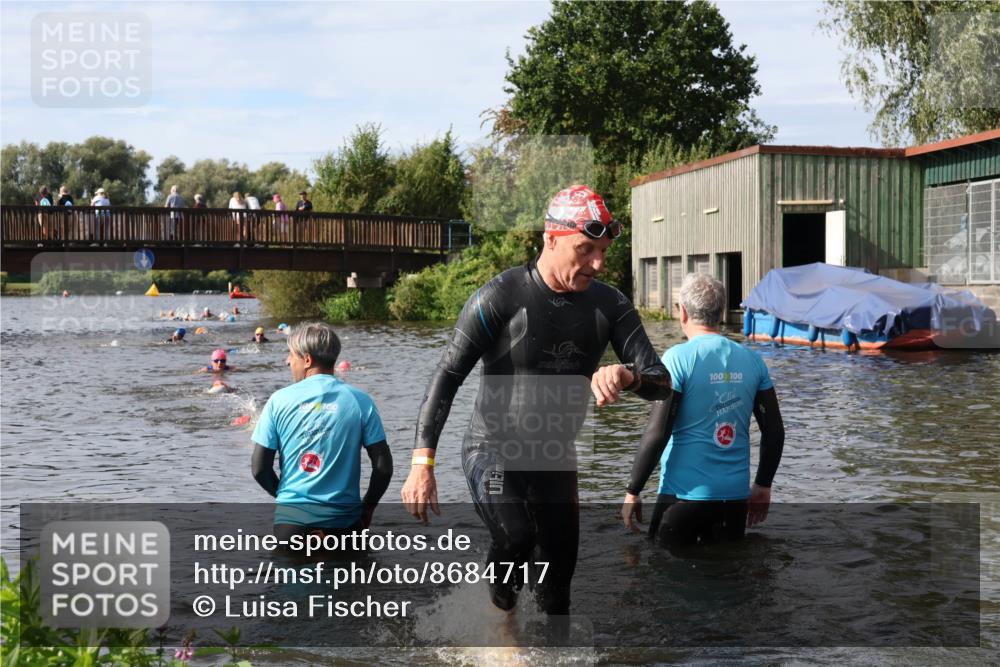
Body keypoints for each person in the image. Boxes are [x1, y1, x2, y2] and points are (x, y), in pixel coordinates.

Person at [401, 185, 672, 618]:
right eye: (586, 250)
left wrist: (626, 374)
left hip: (554, 458)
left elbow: (663, 384)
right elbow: (447, 375)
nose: (597, 263)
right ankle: (501, 625)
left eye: (603, 251)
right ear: (551, 238)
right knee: (516, 537)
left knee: (558, 587)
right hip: (491, 450)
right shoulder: (501, 296)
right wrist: (422, 463)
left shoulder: (610, 304)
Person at [621, 273, 785, 547]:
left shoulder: (677, 358)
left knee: (662, 576)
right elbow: (774, 431)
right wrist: (763, 485)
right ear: (720, 312)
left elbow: (658, 432)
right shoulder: (753, 361)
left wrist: (633, 490)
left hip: (683, 498)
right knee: (728, 577)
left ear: (682, 312)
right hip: (734, 501)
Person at [251, 322, 393, 541]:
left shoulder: (278, 401)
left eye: (291, 355)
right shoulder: (361, 401)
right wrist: (368, 507)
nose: (288, 361)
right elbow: (383, 467)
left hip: (292, 526)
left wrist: (285, 497)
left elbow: (260, 469)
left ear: (307, 360)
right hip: (344, 524)